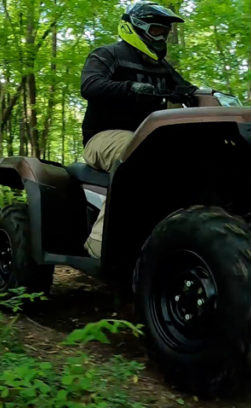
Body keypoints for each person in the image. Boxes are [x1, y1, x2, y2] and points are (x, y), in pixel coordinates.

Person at [80, 1, 196, 258]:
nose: (162, 37)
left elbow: (189, 90)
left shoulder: (163, 68)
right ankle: (98, 246)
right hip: (103, 137)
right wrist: (130, 88)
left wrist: (206, 96)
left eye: (165, 33)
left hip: (151, 140)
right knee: (140, 153)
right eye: (156, 31)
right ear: (135, 28)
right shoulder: (107, 54)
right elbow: (89, 85)